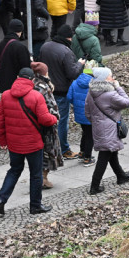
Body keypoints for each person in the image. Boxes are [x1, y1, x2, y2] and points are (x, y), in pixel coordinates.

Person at [0, 68, 57, 215]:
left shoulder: (6, 95)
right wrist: (55, 118)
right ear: (32, 80)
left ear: (17, 77)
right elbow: (45, 119)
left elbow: (0, 121)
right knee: (35, 174)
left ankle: (1, 199)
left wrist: (3, 141)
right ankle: (35, 205)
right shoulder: (36, 96)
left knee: (14, 170)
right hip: (33, 143)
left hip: (14, 143)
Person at [86, 67, 129, 195]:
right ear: (105, 79)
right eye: (111, 76)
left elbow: (87, 112)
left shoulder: (91, 91)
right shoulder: (110, 94)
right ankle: (94, 186)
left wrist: (97, 122)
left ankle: (121, 176)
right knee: (104, 156)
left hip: (99, 128)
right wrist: (118, 87)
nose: (113, 78)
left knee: (111, 152)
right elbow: (126, 102)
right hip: (109, 128)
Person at [39, 25, 82, 161]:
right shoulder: (66, 52)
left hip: (47, 89)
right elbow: (72, 73)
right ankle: (64, 149)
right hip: (62, 91)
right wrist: (80, 64)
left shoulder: (45, 47)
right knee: (62, 121)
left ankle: (47, 146)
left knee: (48, 119)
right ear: (68, 37)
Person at [67, 61, 95, 166]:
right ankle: (87, 157)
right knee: (90, 135)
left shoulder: (75, 82)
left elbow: (69, 97)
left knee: (85, 132)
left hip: (79, 114)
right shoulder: (94, 83)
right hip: (91, 114)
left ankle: (82, 152)